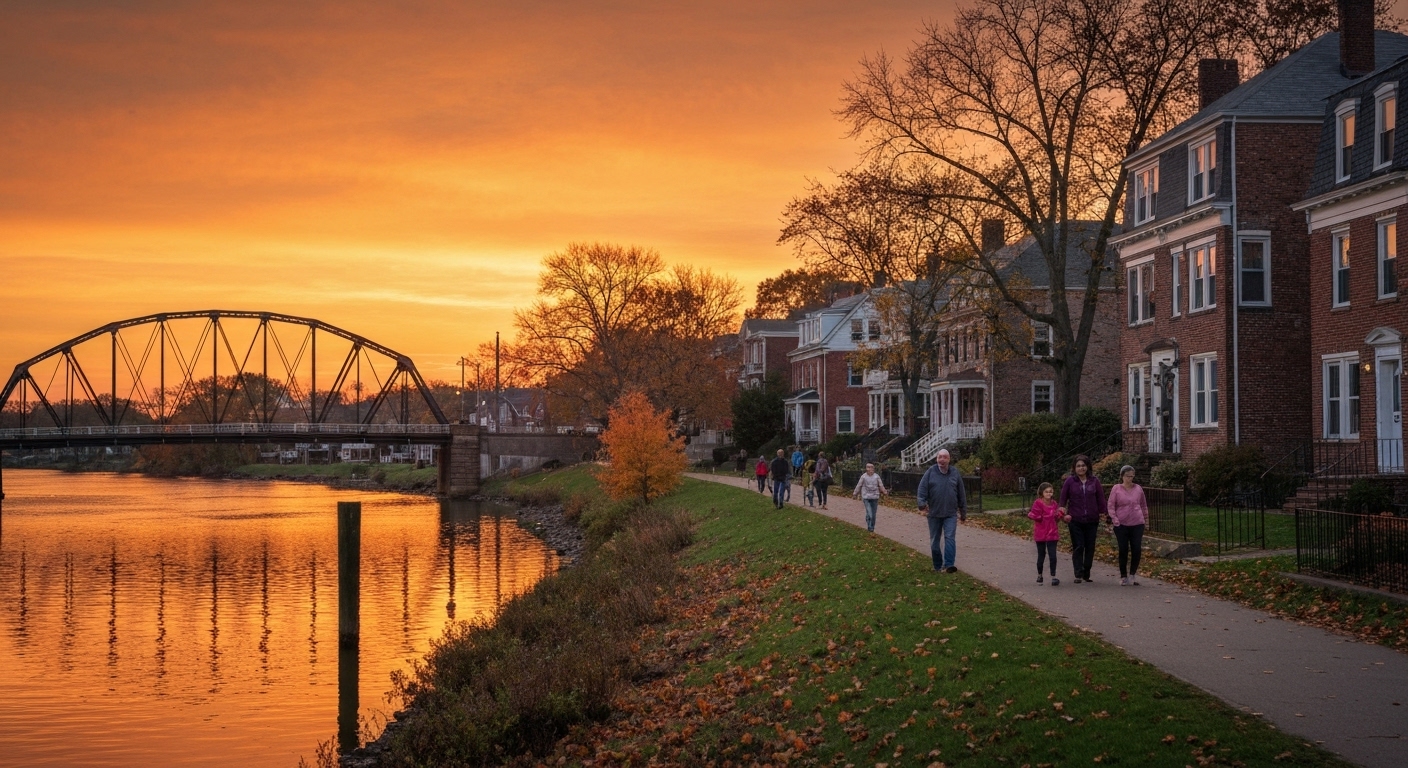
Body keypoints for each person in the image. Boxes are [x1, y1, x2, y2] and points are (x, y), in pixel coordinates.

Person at [916, 449, 966, 573]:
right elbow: (922, 490)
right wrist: (922, 504)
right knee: (934, 541)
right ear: (936, 459)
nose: (942, 460)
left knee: (950, 537)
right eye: (939, 457)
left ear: (949, 459)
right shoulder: (930, 472)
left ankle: (949, 565)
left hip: (950, 513)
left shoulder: (955, 473)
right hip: (934, 513)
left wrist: (963, 512)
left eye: (944, 457)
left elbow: (961, 494)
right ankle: (937, 566)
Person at [1059, 454, 1105, 583]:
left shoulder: (1094, 481)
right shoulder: (1070, 481)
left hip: (1092, 520)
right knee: (1079, 546)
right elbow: (1063, 498)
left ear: (1088, 466)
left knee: (1090, 547)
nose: (1081, 468)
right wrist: (1062, 510)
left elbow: (1100, 499)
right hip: (1075, 520)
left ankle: (1087, 573)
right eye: (1078, 466)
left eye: (1083, 465)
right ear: (1074, 468)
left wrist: (1104, 513)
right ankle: (1078, 573)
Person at [1107, 465, 1149, 586]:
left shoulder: (1138, 489)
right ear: (1122, 476)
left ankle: (1133, 574)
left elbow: (1143, 504)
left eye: (1132, 476)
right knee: (1123, 549)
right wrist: (1115, 520)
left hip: (1137, 523)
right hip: (1121, 524)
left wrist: (1146, 519)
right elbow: (1111, 505)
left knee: (1136, 548)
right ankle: (1123, 575)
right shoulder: (1116, 489)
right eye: (1127, 476)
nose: (1130, 478)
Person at [1027, 482, 1064, 585]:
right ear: (1041, 493)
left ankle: (1053, 576)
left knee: (1053, 555)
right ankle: (1040, 575)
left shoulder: (1054, 504)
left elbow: (1056, 518)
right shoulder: (1038, 503)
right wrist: (1040, 517)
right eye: (1046, 492)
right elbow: (1035, 515)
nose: (1049, 494)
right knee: (1041, 554)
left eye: (1050, 492)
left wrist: (1060, 514)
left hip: (1052, 533)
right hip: (1041, 533)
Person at [853, 462, 889, 532]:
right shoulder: (863, 477)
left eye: (871, 467)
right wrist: (855, 493)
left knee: (873, 514)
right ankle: (869, 525)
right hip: (866, 497)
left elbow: (881, 485)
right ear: (866, 469)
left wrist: (885, 492)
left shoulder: (876, 476)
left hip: (875, 497)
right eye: (868, 467)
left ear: (874, 469)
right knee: (870, 513)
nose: (870, 469)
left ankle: (871, 527)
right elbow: (859, 485)